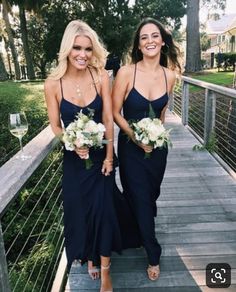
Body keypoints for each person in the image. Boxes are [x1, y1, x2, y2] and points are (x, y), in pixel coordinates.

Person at [44, 19, 122, 292]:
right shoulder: (53, 84)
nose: (82, 54)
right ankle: (89, 255)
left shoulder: (100, 76)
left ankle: (105, 272)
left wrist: (110, 157)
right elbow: (55, 125)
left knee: (103, 211)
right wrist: (71, 140)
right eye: (77, 47)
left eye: (88, 49)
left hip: (101, 158)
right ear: (67, 48)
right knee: (81, 213)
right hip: (73, 162)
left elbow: (109, 119)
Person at [112, 17, 181, 281]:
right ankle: (153, 252)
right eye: (144, 37)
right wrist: (135, 136)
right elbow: (115, 112)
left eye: (154, 36)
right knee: (139, 195)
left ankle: (138, 229)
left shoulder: (170, 75)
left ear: (162, 42)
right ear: (139, 46)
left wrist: (155, 136)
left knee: (150, 196)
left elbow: (161, 114)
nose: (149, 41)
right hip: (131, 148)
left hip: (158, 149)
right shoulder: (127, 73)